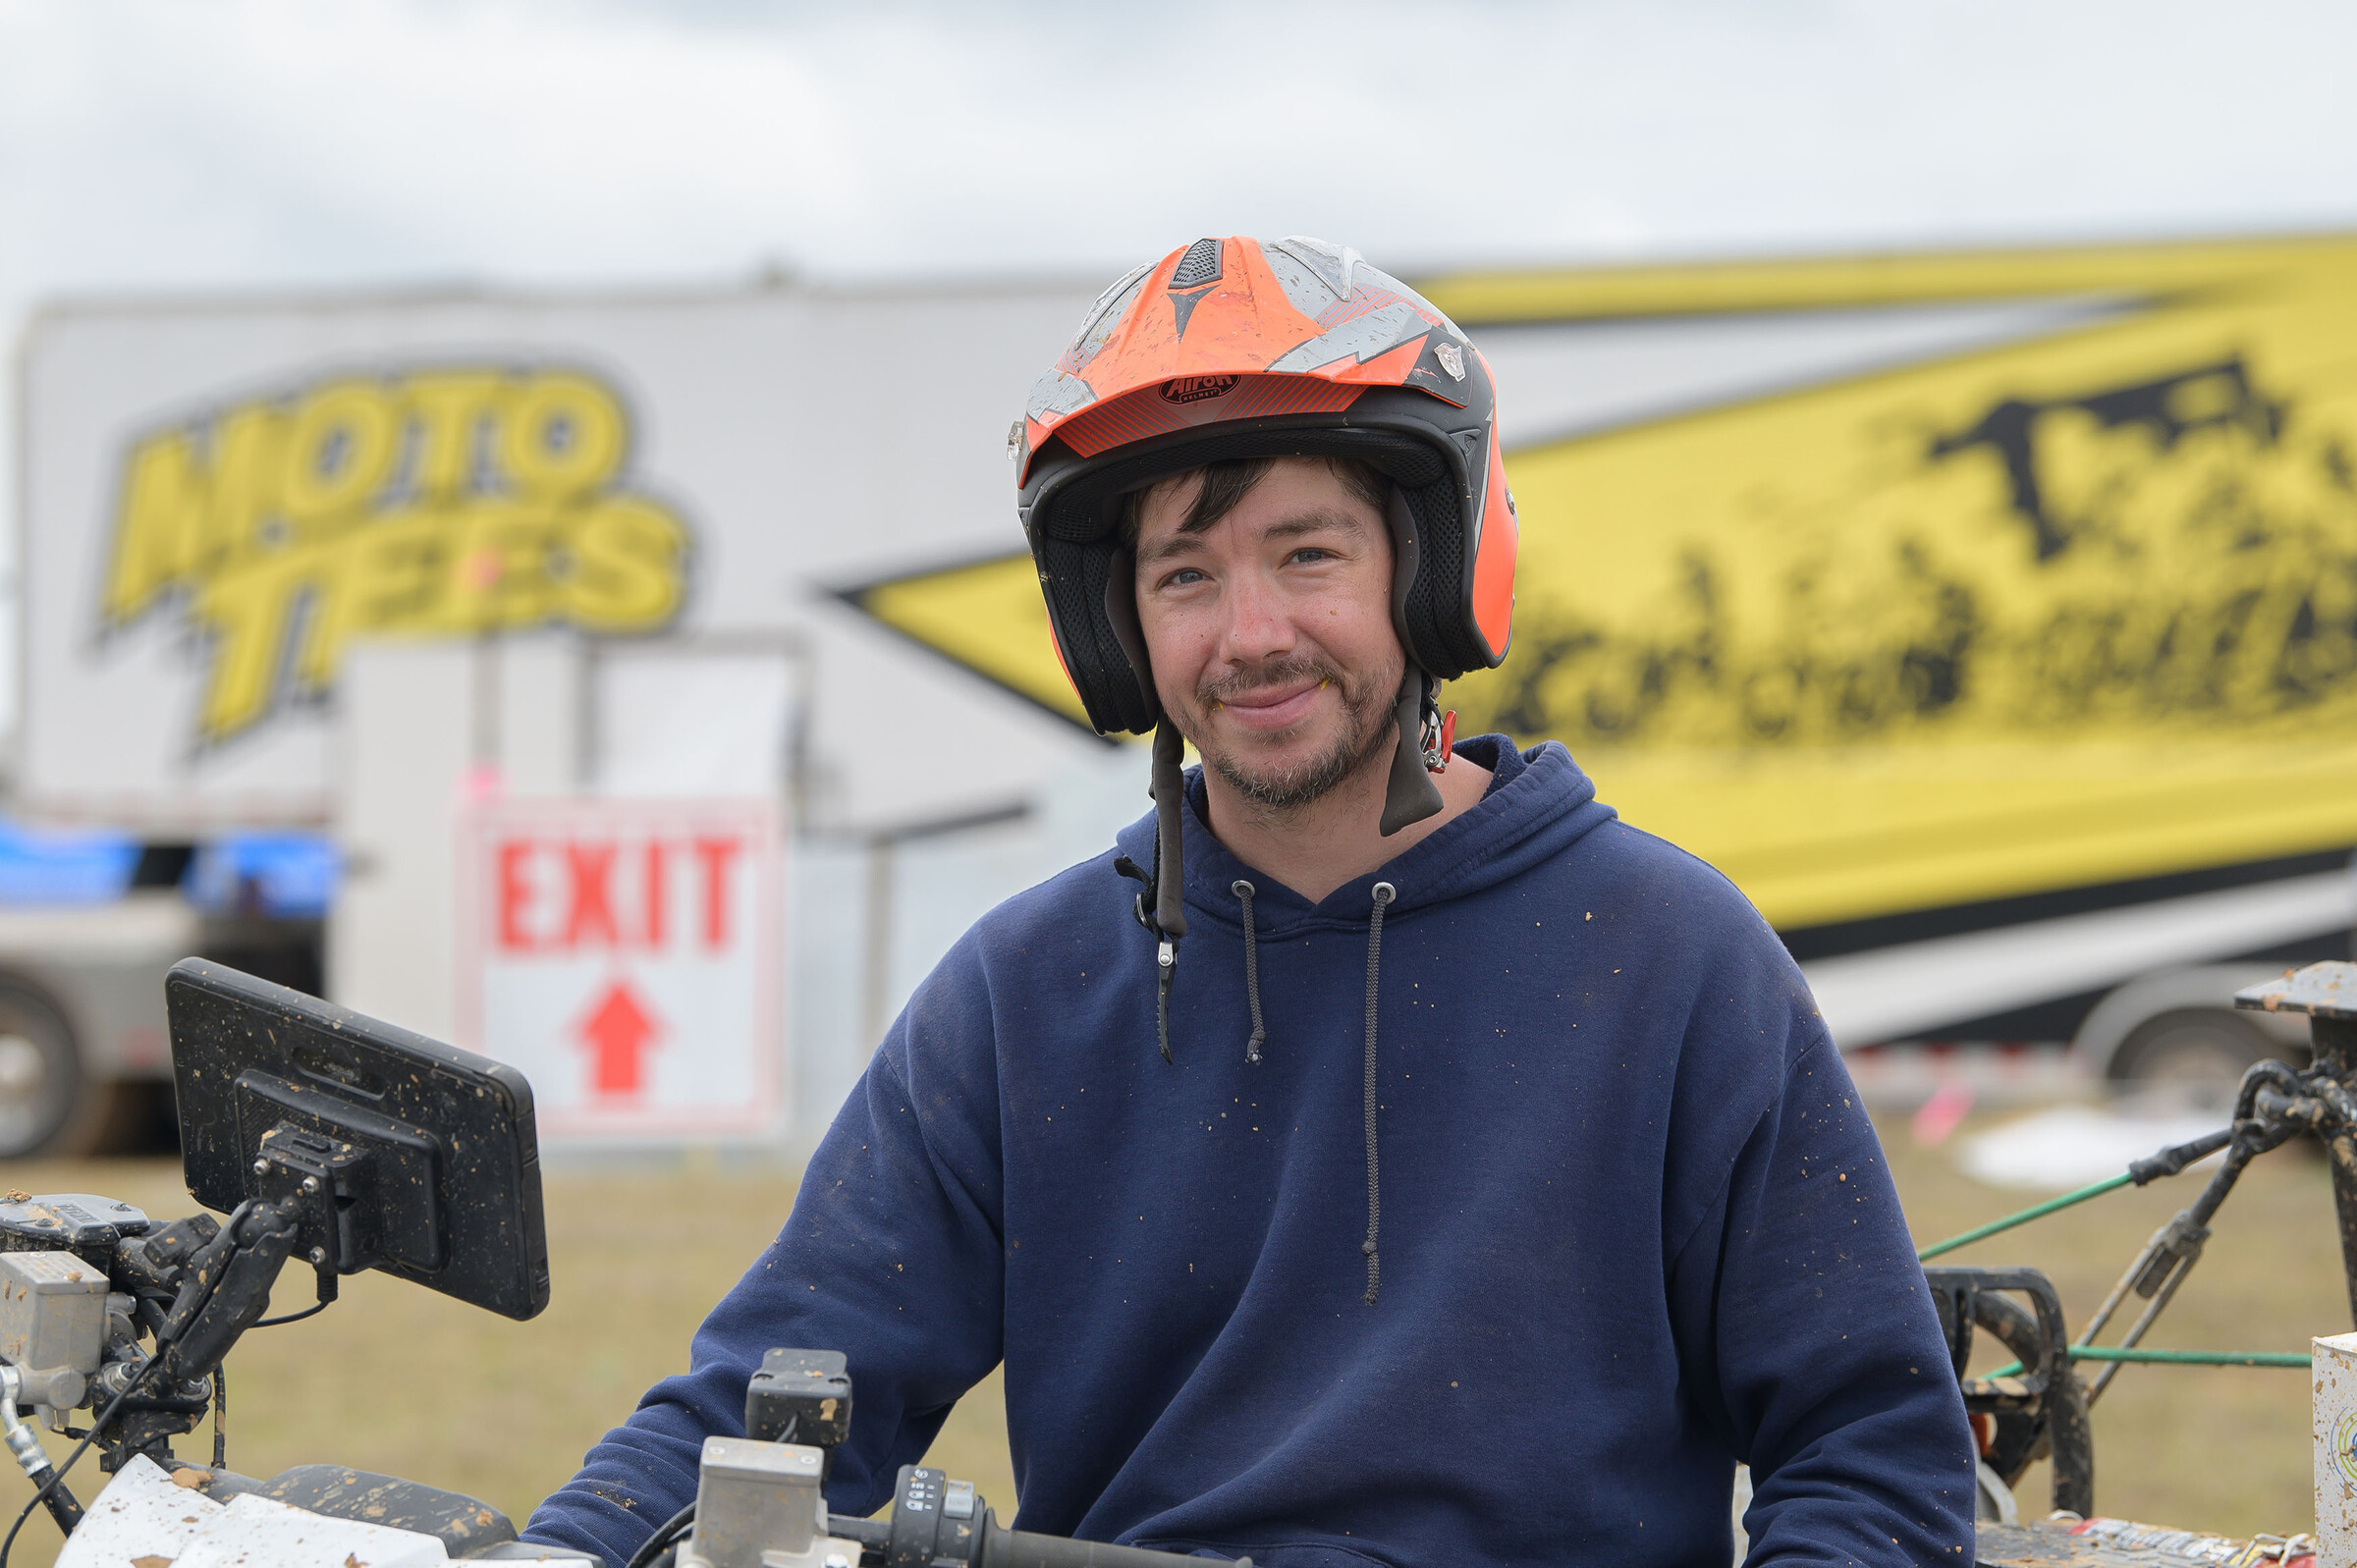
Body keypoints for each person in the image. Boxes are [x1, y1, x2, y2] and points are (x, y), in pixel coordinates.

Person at [524, 236, 1976, 1568]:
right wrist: (566, 1548)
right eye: (1186, 575)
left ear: (1431, 570)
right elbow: (771, 1406)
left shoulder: (1671, 958)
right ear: (1119, 631)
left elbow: (1869, 1455)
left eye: (1308, 553)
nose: (1253, 634)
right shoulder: (1022, 992)